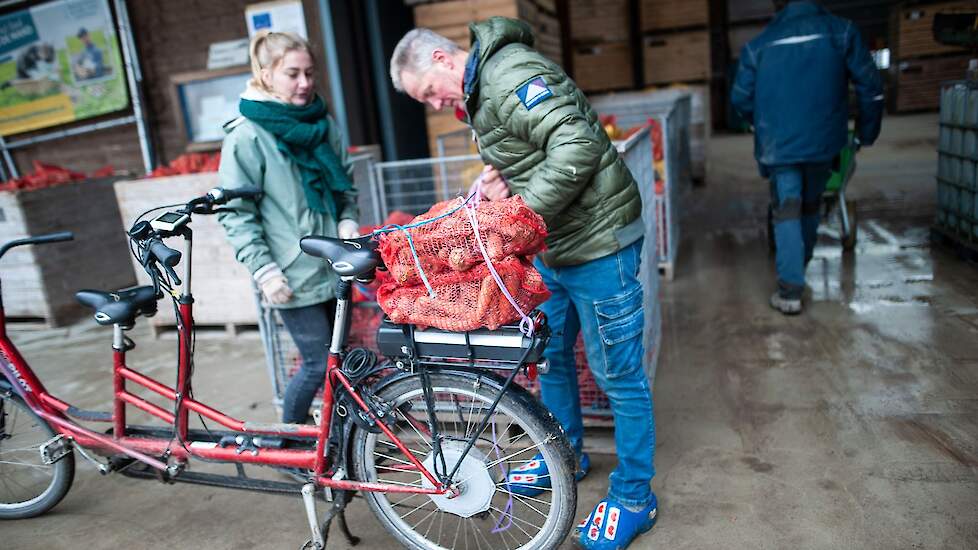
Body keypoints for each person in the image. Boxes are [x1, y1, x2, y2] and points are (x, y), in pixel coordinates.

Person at [390, 18, 657, 549]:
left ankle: (634, 496)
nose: (434, 104)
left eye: (428, 92)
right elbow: (535, 148)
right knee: (551, 358)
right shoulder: (479, 94)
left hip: (601, 241)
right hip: (554, 243)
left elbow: (578, 145)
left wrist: (521, 211)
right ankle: (567, 454)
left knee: (618, 374)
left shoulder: (510, 74)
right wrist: (505, 180)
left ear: (443, 61)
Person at [217, 30, 360, 425]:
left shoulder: (323, 123)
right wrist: (264, 271)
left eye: (310, 73)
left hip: (334, 262)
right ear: (265, 75)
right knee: (317, 363)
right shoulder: (247, 135)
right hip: (289, 274)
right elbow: (236, 212)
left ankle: (343, 440)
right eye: (292, 74)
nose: (305, 83)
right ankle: (288, 441)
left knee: (344, 361)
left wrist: (348, 219)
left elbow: (344, 182)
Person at [731, 0, 883, 314]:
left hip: (779, 145)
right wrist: (867, 132)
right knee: (811, 203)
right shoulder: (842, 32)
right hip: (824, 142)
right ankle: (799, 267)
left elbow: (740, 98)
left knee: (787, 207)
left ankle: (790, 291)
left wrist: (760, 124)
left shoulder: (757, 46)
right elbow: (870, 87)